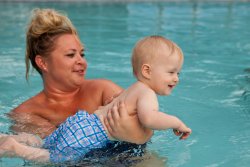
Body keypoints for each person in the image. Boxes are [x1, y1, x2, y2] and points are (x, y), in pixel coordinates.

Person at [0, 35, 191, 163]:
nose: (176, 78)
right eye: (171, 72)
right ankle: (17, 148)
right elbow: (150, 119)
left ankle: (13, 138)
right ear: (147, 70)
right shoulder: (147, 94)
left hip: (82, 121)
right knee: (56, 158)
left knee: (46, 143)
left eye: (178, 73)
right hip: (92, 133)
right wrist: (176, 122)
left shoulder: (133, 89)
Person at [7, 8, 152, 144]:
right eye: (71, 55)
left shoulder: (101, 90)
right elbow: (53, 153)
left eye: (82, 54)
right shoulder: (25, 113)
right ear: (43, 63)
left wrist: (135, 136)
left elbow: (147, 123)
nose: (82, 62)